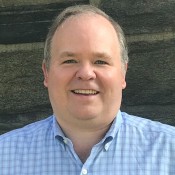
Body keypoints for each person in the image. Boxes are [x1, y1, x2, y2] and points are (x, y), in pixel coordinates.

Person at [0, 4, 175, 175]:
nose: (85, 74)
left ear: (123, 73)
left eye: (100, 61)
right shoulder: (4, 157)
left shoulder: (170, 151)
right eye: (70, 60)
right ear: (46, 73)